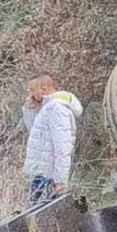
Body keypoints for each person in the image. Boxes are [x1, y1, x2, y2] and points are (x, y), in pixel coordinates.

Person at [22, 75, 83, 204]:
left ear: (43, 89)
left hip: (48, 176)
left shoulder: (57, 109)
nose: (30, 94)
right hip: (41, 173)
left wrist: (60, 180)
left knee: (41, 218)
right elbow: (34, 132)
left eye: (32, 90)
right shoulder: (47, 108)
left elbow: (63, 147)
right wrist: (29, 109)